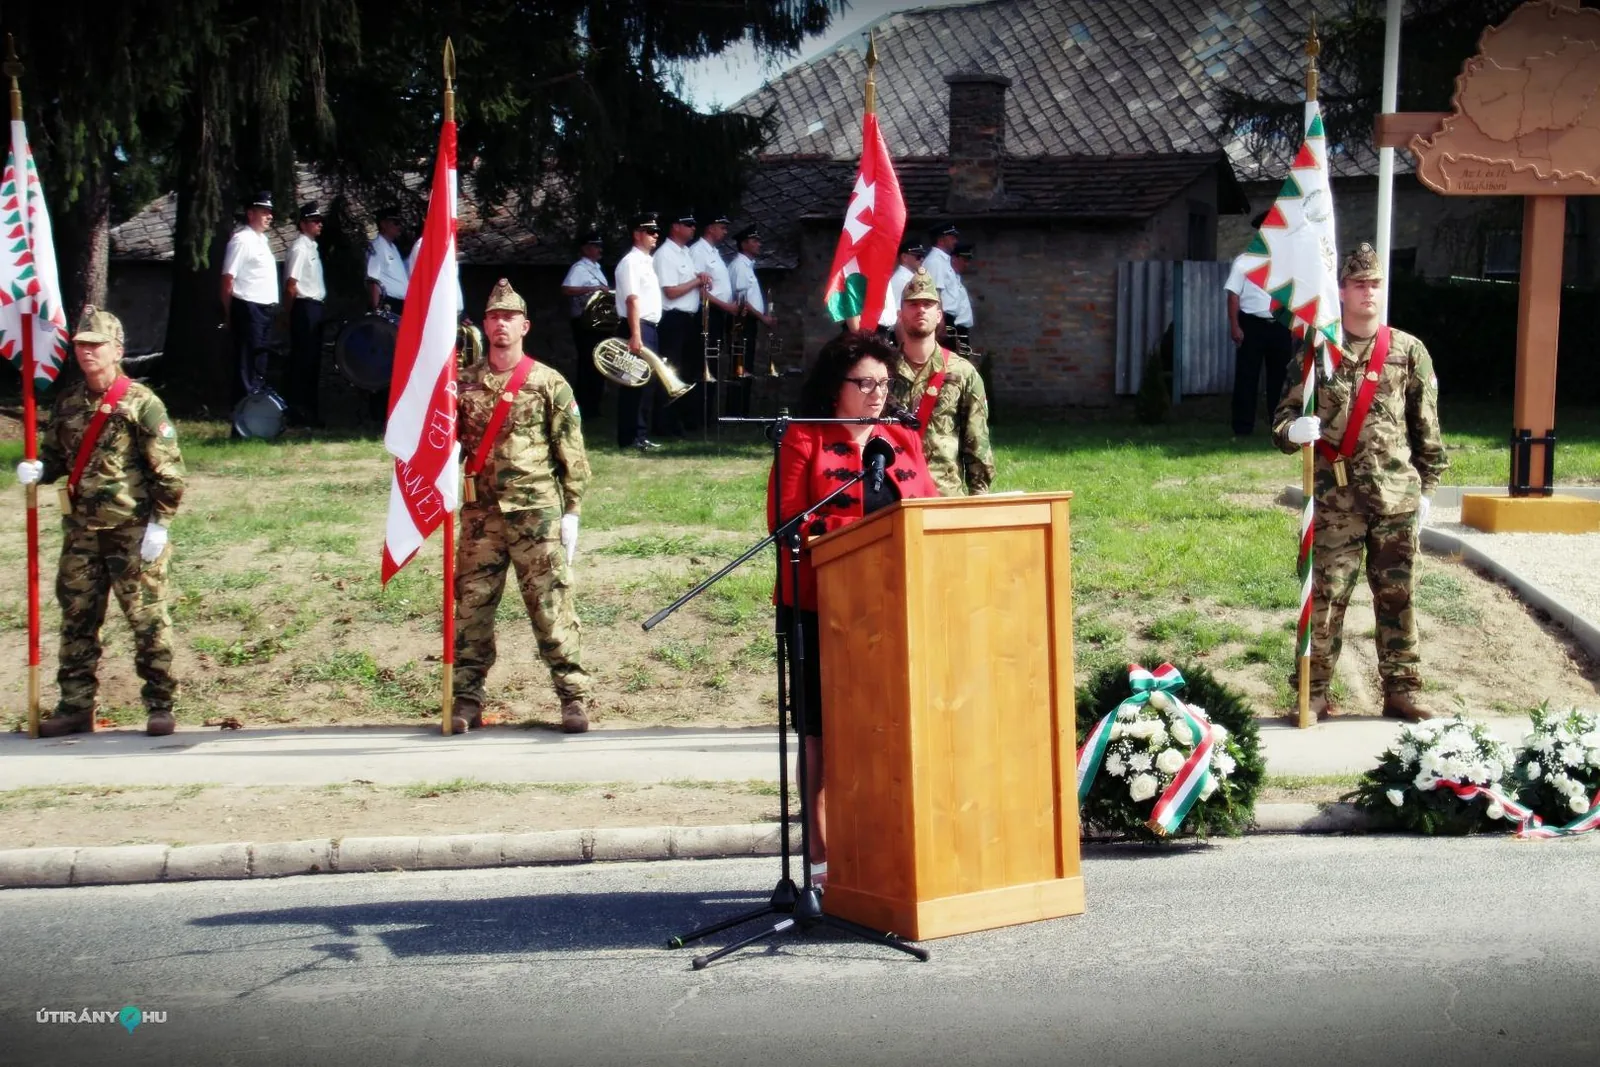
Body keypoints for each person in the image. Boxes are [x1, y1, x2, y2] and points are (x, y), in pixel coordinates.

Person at [768, 332, 940, 873]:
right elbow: (786, 523)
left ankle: (884, 849)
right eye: (864, 383)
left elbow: (929, 510)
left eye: (884, 385)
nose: (875, 394)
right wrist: (863, 535)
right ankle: (819, 855)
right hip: (822, 604)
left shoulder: (902, 438)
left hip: (895, 605)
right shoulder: (804, 438)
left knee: (886, 721)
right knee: (820, 724)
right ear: (835, 387)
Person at [1272, 242, 1448, 723]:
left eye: (1375, 284)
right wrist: (1293, 431)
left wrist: (1427, 490)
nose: (1368, 293)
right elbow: (1283, 416)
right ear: (1342, 291)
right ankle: (1314, 690)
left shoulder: (1408, 351)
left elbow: (1426, 428)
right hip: (1336, 501)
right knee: (1326, 598)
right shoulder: (1316, 350)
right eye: (1359, 284)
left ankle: (1403, 689)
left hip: (1396, 500)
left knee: (1399, 598)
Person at [15, 308, 186, 738]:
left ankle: (160, 704)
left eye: (97, 345)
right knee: (77, 618)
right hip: (81, 533)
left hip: (131, 529)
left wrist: (160, 524)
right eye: (81, 345)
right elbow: (57, 455)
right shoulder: (71, 402)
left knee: (147, 620)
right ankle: (75, 706)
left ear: (118, 351)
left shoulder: (141, 403)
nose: (87, 352)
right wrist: (38, 469)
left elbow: (168, 469)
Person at [453, 279, 595, 735]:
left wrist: (571, 509)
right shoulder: (463, 384)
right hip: (481, 517)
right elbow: (442, 443)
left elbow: (570, 449)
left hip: (535, 513)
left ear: (525, 326)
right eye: (493, 317)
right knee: (472, 609)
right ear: (485, 325)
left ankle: (572, 698)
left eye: (509, 318)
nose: (501, 325)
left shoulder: (547, 382)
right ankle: (465, 699)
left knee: (550, 607)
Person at [888, 267, 995, 496]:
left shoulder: (963, 373)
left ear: (939, 316)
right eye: (913, 304)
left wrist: (979, 499)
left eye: (928, 304)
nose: (921, 310)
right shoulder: (881, 372)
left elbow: (977, 443)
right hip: (892, 496)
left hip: (943, 496)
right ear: (900, 314)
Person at [1226, 212, 1294, 435]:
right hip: (1251, 324)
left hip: (1279, 323)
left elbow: (1294, 294)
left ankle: (1279, 427)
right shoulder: (1245, 260)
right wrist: (1235, 325)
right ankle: (1242, 428)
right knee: (1247, 377)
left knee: (1280, 378)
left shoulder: (1287, 261)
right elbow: (1233, 294)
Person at [219, 191, 279, 409]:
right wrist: (228, 313)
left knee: (259, 364)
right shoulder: (242, 240)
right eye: (264, 212)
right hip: (247, 307)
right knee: (246, 364)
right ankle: (242, 417)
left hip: (264, 310)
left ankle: (256, 414)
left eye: (270, 212)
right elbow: (228, 278)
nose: (269, 216)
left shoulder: (262, 241)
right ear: (251, 213)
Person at [614, 212, 663, 452]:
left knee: (646, 382)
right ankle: (629, 437)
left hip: (649, 326)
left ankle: (640, 435)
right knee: (633, 382)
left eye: (656, 231)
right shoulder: (631, 262)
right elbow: (633, 300)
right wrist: (635, 335)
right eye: (650, 231)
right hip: (637, 325)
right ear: (637, 234)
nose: (656, 235)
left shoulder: (646, 261)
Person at [653, 210, 706, 431]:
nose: (693, 228)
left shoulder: (684, 253)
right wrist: (696, 282)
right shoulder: (666, 254)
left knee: (686, 370)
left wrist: (701, 283)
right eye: (688, 225)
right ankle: (664, 422)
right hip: (673, 318)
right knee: (671, 370)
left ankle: (682, 419)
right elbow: (671, 291)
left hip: (689, 318)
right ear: (675, 227)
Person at [282, 201, 326, 428]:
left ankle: (310, 412)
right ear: (303, 224)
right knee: (302, 362)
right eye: (314, 221)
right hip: (303, 306)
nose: (319, 224)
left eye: (320, 221)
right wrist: (288, 314)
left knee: (313, 363)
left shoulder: (312, 247)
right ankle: (298, 412)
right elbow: (291, 284)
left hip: (315, 306)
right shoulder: (300, 247)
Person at [560, 229, 611, 419]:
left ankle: (594, 405)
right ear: (586, 248)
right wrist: (592, 288)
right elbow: (567, 289)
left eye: (599, 246)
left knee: (597, 363)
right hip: (584, 322)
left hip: (598, 323)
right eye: (595, 246)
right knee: (588, 364)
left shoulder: (596, 268)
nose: (599, 250)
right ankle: (586, 406)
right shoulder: (579, 268)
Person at [877, 241, 925, 340]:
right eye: (918, 256)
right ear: (904, 257)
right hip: (899, 332)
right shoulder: (900, 279)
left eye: (922, 256)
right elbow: (895, 310)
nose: (922, 259)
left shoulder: (910, 277)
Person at [366, 207, 410, 316]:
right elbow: (373, 280)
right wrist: (376, 310)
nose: (399, 227)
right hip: (388, 304)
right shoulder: (377, 246)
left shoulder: (393, 247)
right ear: (383, 224)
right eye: (395, 223)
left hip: (401, 303)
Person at [944, 241, 976, 351]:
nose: (967, 264)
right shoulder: (948, 276)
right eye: (964, 260)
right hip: (955, 328)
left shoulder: (957, 278)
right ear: (954, 258)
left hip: (962, 330)